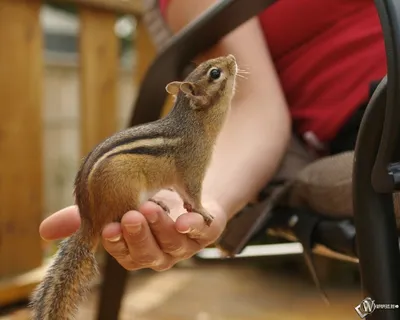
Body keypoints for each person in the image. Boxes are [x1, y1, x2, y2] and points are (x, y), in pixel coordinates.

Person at [39, 0, 387, 271]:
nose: (231, 64)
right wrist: (207, 206)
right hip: (375, 113)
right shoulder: (194, 134)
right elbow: (254, 107)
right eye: (220, 72)